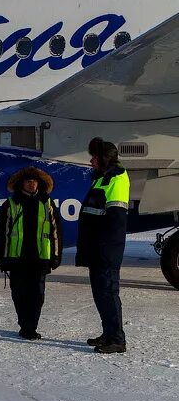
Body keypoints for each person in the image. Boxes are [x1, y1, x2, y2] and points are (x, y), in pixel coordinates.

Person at [0, 167, 63, 340]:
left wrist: (55, 256)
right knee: (19, 294)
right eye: (28, 181)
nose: (32, 184)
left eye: (35, 181)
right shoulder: (10, 204)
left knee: (37, 295)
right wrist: (2, 258)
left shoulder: (47, 203)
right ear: (21, 184)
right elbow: (2, 234)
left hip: (40, 258)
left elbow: (56, 231)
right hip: (17, 259)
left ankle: (31, 326)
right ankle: (24, 324)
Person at [76, 137, 131, 354]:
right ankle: (108, 333)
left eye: (95, 157)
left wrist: (105, 250)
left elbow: (116, 221)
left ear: (104, 159)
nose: (91, 161)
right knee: (101, 294)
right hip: (97, 249)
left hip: (105, 250)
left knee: (108, 293)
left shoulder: (115, 180)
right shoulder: (102, 179)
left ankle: (117, 339)